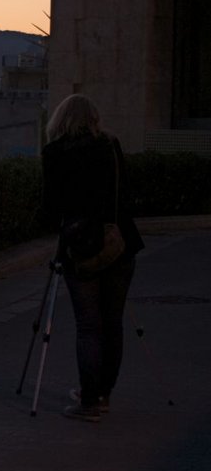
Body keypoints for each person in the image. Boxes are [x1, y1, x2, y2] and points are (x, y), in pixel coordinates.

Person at [41, 94, 143, 422]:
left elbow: (51, 206)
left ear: (60, 119)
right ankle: (102, 395)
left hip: (80, 246)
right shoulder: (110, 147)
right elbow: (126, 193)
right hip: (119, 243)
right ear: (94, 118)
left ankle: (89, 403)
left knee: (88, 326)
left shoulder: (54, 153)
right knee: (112, 323)